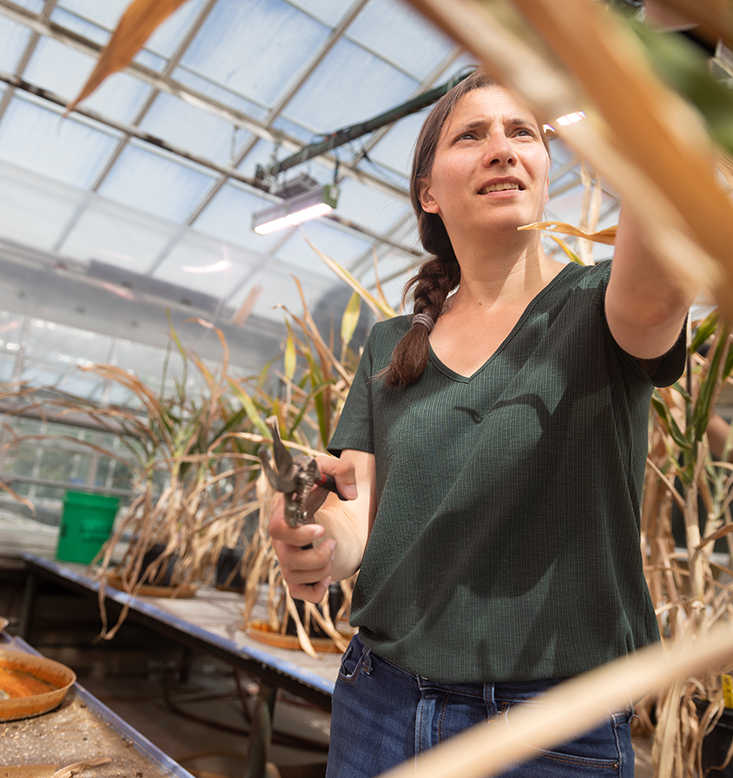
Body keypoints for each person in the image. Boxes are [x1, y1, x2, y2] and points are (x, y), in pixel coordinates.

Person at [269, 70, 694, 778]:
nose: (502, 148)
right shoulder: (388, 346)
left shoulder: (601, 306)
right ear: (428, 191)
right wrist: (316, 543)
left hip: (552, 728)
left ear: (546, 169)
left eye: (522, 133)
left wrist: (676, 47)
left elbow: (665, 262)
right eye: (472, 135)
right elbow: (359, 518)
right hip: (379, 701)